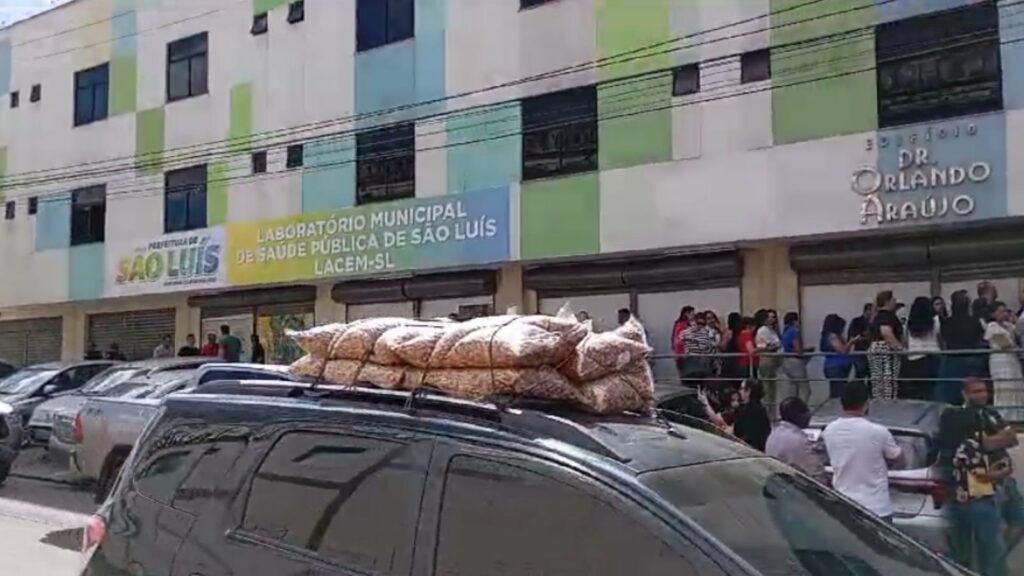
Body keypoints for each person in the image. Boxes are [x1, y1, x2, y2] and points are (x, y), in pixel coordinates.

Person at [941, 378, 1020, 576]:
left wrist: (994, 440)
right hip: (974, 489)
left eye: (984, 391)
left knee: (1017, 522)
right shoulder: (955, 415)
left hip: (1002, 482)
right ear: (965, 394)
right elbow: (981, 445)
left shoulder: (991, 413)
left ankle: (991, 566)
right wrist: (995, 440)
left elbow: (1012, 439)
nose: (982, 395)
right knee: (982, 546)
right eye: (976, 392)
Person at [822, 381, 903, 522]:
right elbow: (898, 459)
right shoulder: (879, 432)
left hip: (844, 505)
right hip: (877, 509)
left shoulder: (829, 431)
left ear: (842, 403)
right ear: (866, 403)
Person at [767, 397, 828, 484]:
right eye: (807, 413)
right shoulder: (798, 440)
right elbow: (816, 473)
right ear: (799, 415)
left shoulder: (773, 434)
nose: (809, 417)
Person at [940, 290, 986, 405]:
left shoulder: (946, 322)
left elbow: (944, 339)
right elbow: (980, 336)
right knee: (973, 391)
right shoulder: (975, 321)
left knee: (953, 393)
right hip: (973, 358)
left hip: (952, 360)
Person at [985, 302, 1024, 423]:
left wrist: (1015, 321)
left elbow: (1019, 332)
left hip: (1012, 360)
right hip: (1000, 362)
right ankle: (1004, 418)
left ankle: (1018, 417)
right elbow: (1006, 343)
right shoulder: (991, 326)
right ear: (994, 313)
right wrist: (1012, 334)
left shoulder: (1008, 325)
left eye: (1005, 311)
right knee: (1004, 388)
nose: (1004, 314)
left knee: (1016, 387)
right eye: (1001, 311)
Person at [902, 296, 939, 401]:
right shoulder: (934, 321)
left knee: (917, 392)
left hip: (914, 357)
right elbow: (939, 337)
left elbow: (905, 341)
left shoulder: (908, 325)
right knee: (931, 391)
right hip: (932, 357)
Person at [868, 291, 903, 400]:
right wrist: (900, 348)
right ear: (887, 302)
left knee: (878, 381)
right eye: (893, 299)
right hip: (886, 349)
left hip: (876, 348)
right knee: (888, 380)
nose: (895, 301)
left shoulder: (876, 316)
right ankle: (888, 403)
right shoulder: (887, 316)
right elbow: (886, 332)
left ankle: (880, 402)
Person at [821, 314, 856, 398]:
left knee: (838, 390)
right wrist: (851, 342)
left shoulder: (834, 336)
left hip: (838, 366)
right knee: (839, 392)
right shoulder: (832, 336)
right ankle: (837, 409)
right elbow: (842, 350)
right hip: (836, 367)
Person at [778, 312, 811, 403]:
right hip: (795, 361)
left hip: (786, 361)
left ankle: (791, 407)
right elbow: (797, 349)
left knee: (793, 388)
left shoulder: (785, 331)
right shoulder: (794, 331)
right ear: (794, 321)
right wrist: (806, 351)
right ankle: (802, 408)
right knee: (805, 389)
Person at [733, 379, 771, 452]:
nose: (739, 391)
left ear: (748, 391)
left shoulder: (745, 411)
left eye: (742, 388)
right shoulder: (761, 409)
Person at [754, 309, 782, 409]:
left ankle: (773, 412)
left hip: (773, 360)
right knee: (767, 388)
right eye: (769, 317)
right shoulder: (762, 330)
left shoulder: (771, 330)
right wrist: (773, 347)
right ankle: (767, 411)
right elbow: (764, 346)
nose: (771, 319)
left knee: (772, 388)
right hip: (766, 358)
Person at [681, 312, 716, 388]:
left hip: (697, 361)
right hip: (695, 361)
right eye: (698, 323)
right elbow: (704, 347)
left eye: (702, 324)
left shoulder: (702, 332)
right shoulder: (687, 332)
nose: (700, 325)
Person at [848, 302, 875, 382]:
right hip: (860, 352)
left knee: (872, 377)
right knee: (860, 374)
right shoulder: (857, 321)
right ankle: (859, 393)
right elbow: (852, 336)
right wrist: (866, 338)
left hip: (872, 352)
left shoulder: (875, 322)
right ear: (867, 311)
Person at [671, 306, 695, 380]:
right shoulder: (682, 325)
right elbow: (679, 340)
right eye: (692, 314)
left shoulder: (687, 324)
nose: (693, 316)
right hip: (683, 353)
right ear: (686, 314)